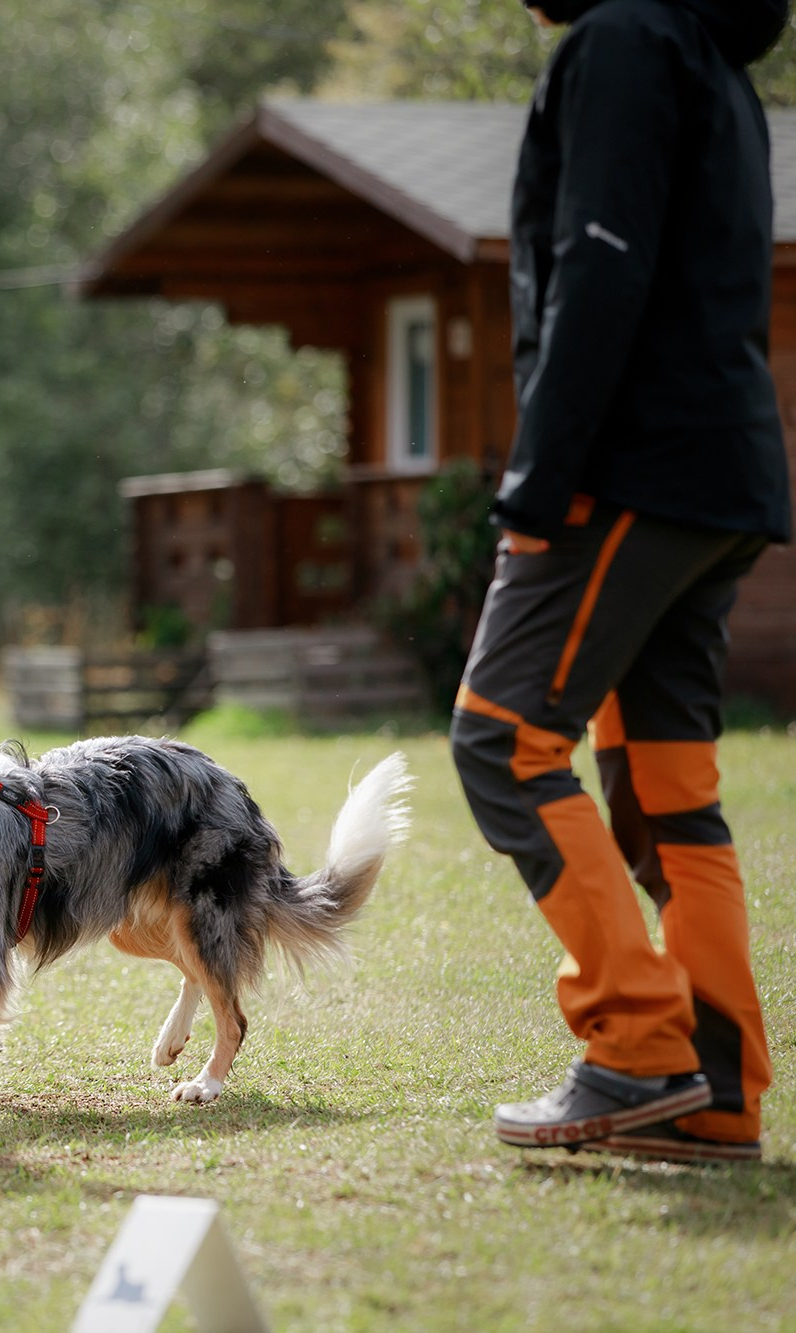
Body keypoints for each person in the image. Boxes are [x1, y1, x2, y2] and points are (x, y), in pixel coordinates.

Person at [452, 0, 788, 1161]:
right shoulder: (707, 67)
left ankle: (638, 1044)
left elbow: (598, 271)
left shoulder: (620, 43)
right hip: (716, 476)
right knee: (660, 788)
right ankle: (713, 1090)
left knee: (499, 738)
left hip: (625, 475)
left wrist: (537, 487)